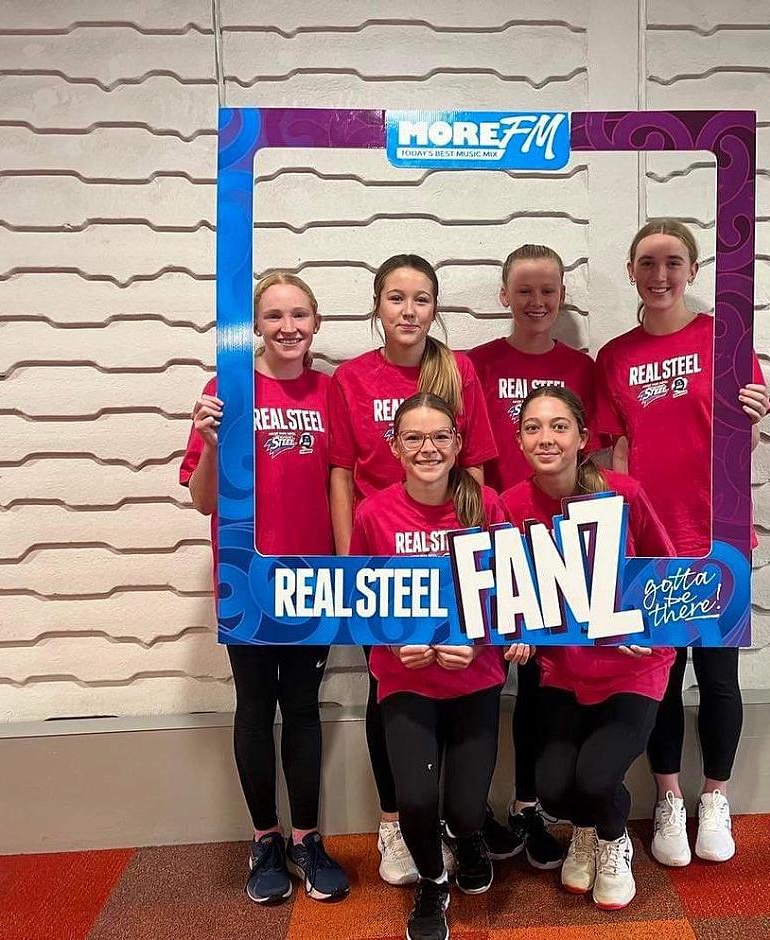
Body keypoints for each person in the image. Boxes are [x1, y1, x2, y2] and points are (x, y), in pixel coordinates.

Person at [593, 218, 770, 867]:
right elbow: (615, 452)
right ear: (631, 272)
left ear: (693, 271)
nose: (660, 274)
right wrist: (619, 541)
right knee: (662, 676)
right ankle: (669, 797)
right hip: (653, 541)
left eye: (673, 262)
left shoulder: (725, 340)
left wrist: (754, 419)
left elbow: (745, 437)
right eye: (647, 262)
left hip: (719, 536)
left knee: (719, 675)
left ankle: (715, 797)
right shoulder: (614, 357)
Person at [328, 254, 498, 885]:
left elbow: (473, 465)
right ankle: (396, 823)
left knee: (461, 674)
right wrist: (351, 571)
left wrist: (472, 547)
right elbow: (340, 473)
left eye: (421, 299)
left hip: (450, 550)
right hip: (384, 552)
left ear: (435, 307)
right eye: (395, 298)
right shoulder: (351, 378)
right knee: (391, 687)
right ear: (377, 306)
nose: (408, 310)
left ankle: (463, 820)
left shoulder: (458, 369)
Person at [180, 272, 349, 904]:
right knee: (254, 707)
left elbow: (340, 483)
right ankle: (265, 840)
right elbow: (203, 501)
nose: (288, 327)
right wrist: (209, 444)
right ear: (255, 325)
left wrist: (344, 570)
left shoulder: (330, 392)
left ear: (316, 322)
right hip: (244, 577)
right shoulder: (225, 388)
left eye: (299, 314)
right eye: (274, 315)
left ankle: (306, 838)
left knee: (302, 707)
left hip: (311, 578)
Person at [349, 393, 523, 940]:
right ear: (395, 446)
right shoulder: (372, 513)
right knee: (416, 801)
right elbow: (358, 602)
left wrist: (478, 643)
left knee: (467, 810)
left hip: (475, 679)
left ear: (457, 443)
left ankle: (468, 838)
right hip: (407, 682)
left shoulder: (486, 505)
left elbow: (513, 596)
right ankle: (432, 880)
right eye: (414, 438)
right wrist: (394, 645)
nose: (428, 448)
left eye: (440, 436)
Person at [501, 385, 676, 910]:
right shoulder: (510, 505)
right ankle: (583, 828)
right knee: (552, 789)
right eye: (533, 427)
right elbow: (509, 593)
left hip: (633, 671)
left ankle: (612, 839)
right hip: (564, 671)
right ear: (519, 440)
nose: (546, 438)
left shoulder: (624, 493)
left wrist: (643, 628)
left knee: (596, 777)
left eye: (559, 426)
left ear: (582, 437)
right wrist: (517, 629)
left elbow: (669, 579)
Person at [468, 243, 605, 869]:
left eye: (548, 290)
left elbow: (594, 459)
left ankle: (530, 805)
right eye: (524, 290)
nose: (536, 301)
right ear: (504, 296)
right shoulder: (476, 364)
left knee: (541, 681)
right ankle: (468, 813)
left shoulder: (582, 367)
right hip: (493, 537)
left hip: (560, 544)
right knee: (481, 680)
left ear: (562, 296)